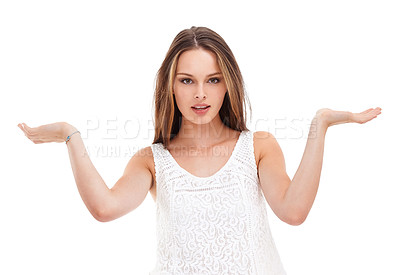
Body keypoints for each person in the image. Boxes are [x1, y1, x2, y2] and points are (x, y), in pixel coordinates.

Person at [17, 26, 382, 274]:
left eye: (213, 80)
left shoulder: (257, 147)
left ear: (228, 85)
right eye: (187, 80)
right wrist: (70, 135)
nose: (200, 94)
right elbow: (104, 208)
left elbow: (294, 211)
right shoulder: (151, 161)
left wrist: (320, 125)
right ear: (170, 86)